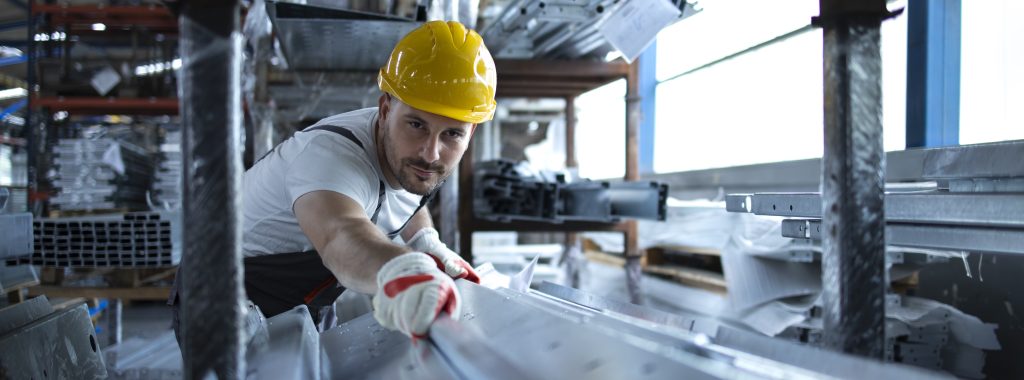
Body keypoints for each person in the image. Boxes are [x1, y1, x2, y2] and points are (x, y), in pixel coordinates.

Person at [171, 20, 497, 340]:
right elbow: (340, 237)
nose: (431, 153)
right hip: (226, 299)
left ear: (472, 133)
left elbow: (406, 198)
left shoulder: (409, 159)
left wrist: (425, 241)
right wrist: (403, 269)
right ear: (385, 110)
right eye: (416, 125)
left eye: (452, 134)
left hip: (306, 298)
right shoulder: (329, 158)